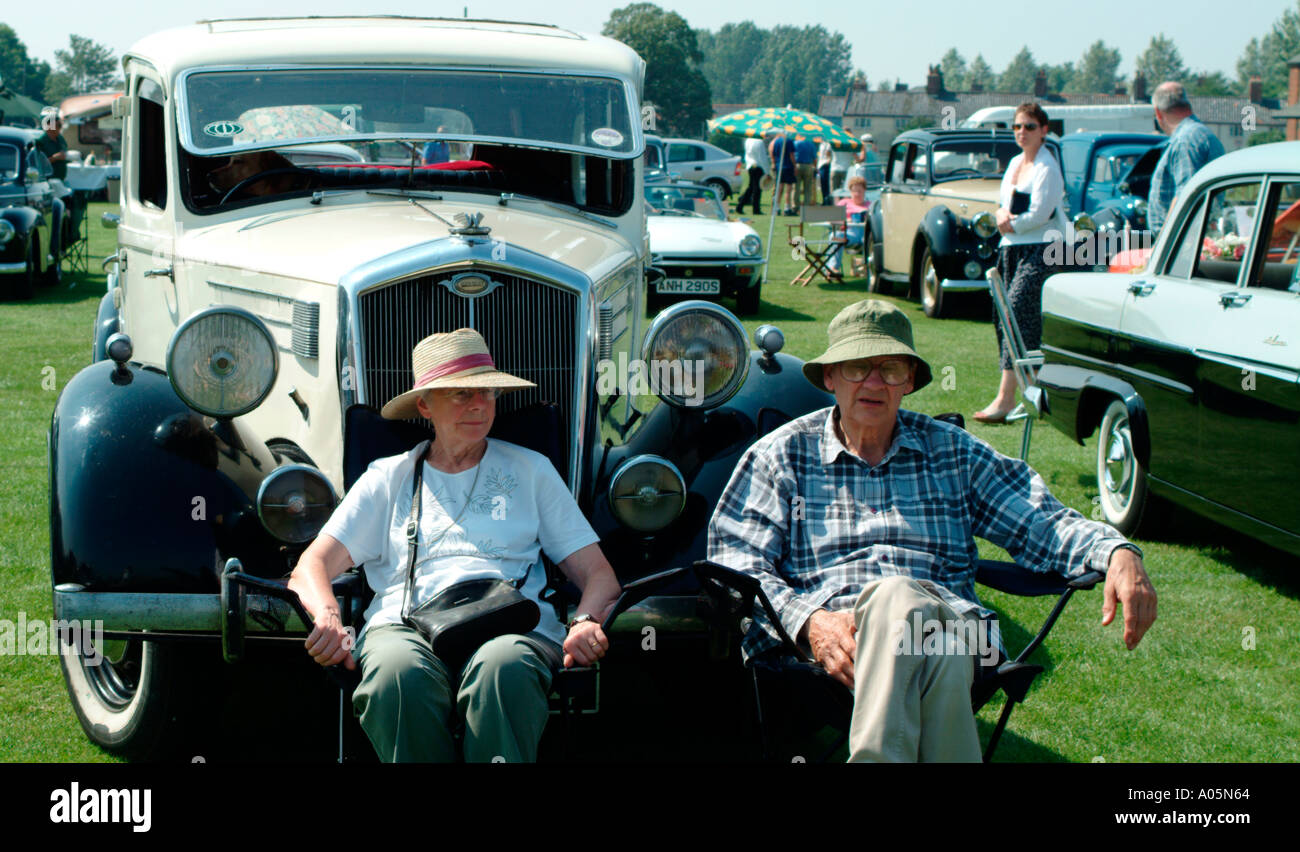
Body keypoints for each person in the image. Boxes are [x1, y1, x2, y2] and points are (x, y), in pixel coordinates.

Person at [707, 299, 1157, 762]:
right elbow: (733, 561)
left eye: (892, 370)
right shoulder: (782, 456)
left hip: (963, 630)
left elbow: (1040, 520)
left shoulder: (952, 454)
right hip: (840, 642)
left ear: (910, 383)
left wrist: (1117, 551)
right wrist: (811, 623)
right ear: (830, 377)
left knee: (898, 597)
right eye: (859, 367)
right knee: (934, 651)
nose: (875, 383)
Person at [289, 328, 621, 762]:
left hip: (512, 626)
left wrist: (586, 622)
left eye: (487, 392)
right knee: (395, 674)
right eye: (461, 393)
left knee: (503, 669)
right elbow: (309, 567)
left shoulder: (531, 470)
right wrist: (330, 619)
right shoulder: (386, 478)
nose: (480, 405)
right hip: (404, 627)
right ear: (424, 404)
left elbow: (599, 575)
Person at [975, 102, 1069, 424]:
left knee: (1016, 314)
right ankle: (1035, 393)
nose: (1021, 132)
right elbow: (1005, 204)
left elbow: (1041, 212)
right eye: (1017, 126)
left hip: (1041, 251)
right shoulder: (1015, 163)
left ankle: (1005, 398)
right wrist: (1002, 216)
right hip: (1010, 248)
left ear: (1044, 131)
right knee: (1003, 318)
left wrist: (1011, 223)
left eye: (1029, 126)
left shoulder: (1047, 167)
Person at [1147, 82, 1225, 231]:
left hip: (1183, 243)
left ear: (1158, 113)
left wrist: (1163, 242)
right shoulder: (1199, 134)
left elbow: (1185, 197)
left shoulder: (1186, 140)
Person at [826, 175, 870, 276]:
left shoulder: (869, 205)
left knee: (874, 240)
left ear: (864, 191)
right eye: (854, 191)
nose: (857, 194)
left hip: (865, 234)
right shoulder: (844, 203)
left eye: (860, 191)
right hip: (850, 233)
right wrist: (845, 220)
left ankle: (871, 269)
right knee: (835, 236)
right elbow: (831, 219)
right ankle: (832, 268)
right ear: (850, 192)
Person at [737, 132, 771, 215]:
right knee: (757, 189)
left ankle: (740, 206)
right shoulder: (759, 142)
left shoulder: (748, 140)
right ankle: (756, 209)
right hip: (758, 167)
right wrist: (767, 172)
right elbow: (762, 158)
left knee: (751, 188)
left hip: (750, 166)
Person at [35, 110, 69, 181]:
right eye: (57, 126)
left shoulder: (60, 138)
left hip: (61, 179)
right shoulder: (41, 142)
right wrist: (54, 158)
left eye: (60, 126)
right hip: (49, 180)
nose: (60, 128)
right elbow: (38, 164)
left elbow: (65, 149)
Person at [770, 131, 796, 215]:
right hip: (788, 166)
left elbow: (772, 153)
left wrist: (774, 163)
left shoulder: (776, 141)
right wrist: (795, 165)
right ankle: (787, 208)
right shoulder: (789, 141)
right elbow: (791, 155)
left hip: (779, 166)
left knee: (779, 189)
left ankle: (776, 207)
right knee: (788, 190)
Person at [793, 134, 817, 210]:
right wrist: (815, 167)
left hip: (797, 165)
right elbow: (814, 158)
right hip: (808, 166)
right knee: (808, 187)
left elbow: (792, 155)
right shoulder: (811, 144)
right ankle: (806, 206)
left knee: (796, 187)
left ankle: (795, 205)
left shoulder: (795, 143)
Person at [816, 141, 833, 205]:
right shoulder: (821, 144)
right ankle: (824, 200)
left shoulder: (829, 143)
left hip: (825, 164)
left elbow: (828, 153)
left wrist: (828, 161)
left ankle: (827, 200)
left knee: (826, 184)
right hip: (821, 165)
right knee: (823, 184)